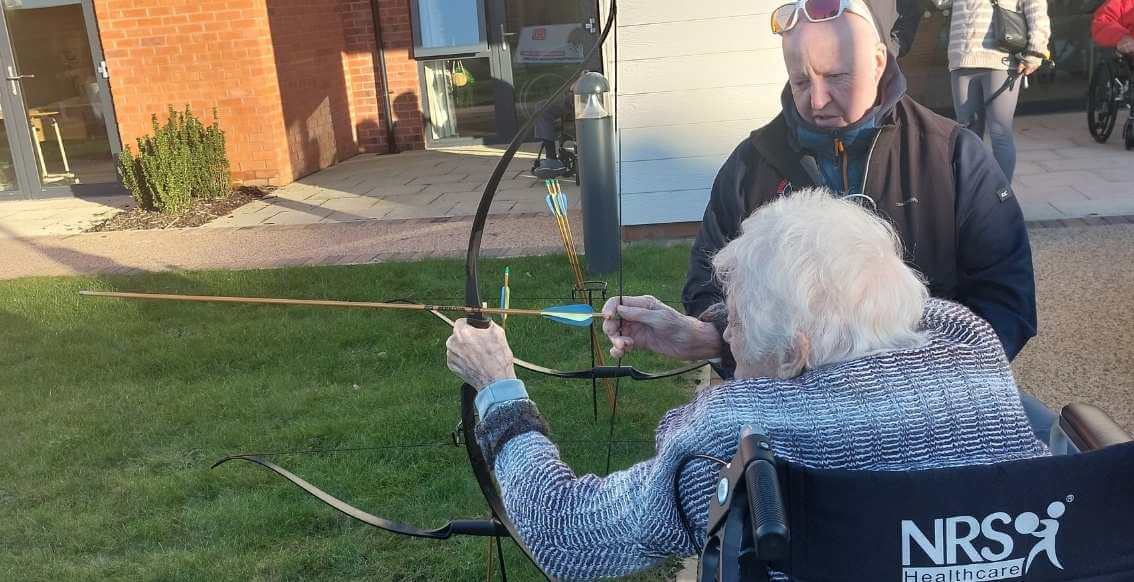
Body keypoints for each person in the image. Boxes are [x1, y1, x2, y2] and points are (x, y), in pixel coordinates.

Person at [446, 191, 1048, 580]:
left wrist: (499, 389)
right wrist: (705, 337)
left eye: (731, 314)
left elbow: (567, 535)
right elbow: (857, 335)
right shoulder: (972, 350)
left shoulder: (735, 445)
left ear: (792, 356)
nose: (726, 328)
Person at [684, 0, 1038, 368]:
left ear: (878, 62)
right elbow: (706, 286)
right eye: (801, 81)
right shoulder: (750, 164)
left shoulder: (952, 155)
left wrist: (929, 381)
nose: (817, 100)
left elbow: (1007, 299)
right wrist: (720, 337)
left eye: (836, 76)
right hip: (787, 405)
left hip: (922, 400)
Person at [932, 0, 1051, 181]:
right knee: (966, 134)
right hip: (962, 60)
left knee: (1000, 131)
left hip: (1000, 60)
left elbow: (1036, 8)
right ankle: (972, 196)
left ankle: (1002, 198)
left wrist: (1035, 51)